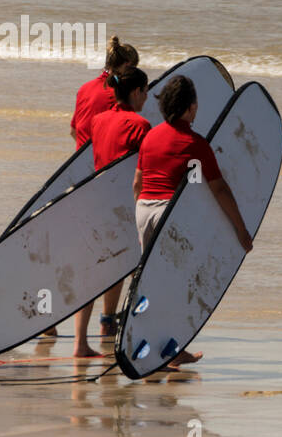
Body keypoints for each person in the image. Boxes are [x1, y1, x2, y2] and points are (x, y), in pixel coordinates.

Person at [133, 75, 253, 371]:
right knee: (178, 283)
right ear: (190, 107)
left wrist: (143, 214)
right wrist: (240, 229)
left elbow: (137, 182)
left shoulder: (150, 137)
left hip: (143, 210)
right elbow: (220, 189)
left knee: (153, 281)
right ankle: (172, 351)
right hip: (166, 214)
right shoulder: (195, 144)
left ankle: (151, 345)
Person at [71, 66, 153, 358]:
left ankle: (81, 342)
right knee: (124, 265)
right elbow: (146, 171)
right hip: (121, 206)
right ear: (135, 92)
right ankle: (114, 326)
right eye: (145, 91)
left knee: (93, 270)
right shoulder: (140, 125)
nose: (147, 97)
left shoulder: (99, 121)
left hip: (95, 201)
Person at [71, 37, 139, 149]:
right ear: (127, 65)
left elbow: (73, 131)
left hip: (81, 160)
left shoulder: (84, 88)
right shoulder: (119, 94)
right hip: (104, 161)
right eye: (135, 69)